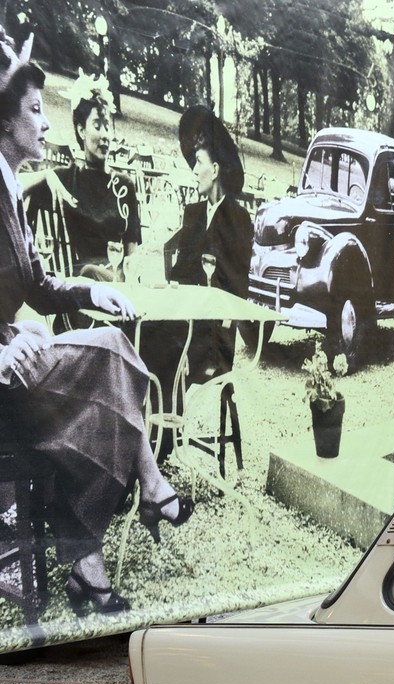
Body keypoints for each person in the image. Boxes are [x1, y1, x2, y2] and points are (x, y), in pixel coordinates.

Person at [0, 34, 191, 616]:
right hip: (4, 376)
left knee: (112, 346)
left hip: (18, 358)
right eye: (35, 110)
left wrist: (94, 289)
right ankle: (144, 497)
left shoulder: (7, 183)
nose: (47, 125)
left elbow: (36, 283)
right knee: (112, 372)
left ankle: (92, 564)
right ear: (4, 119)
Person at [160, 104, 249, 385]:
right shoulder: (193, 213)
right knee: (150, 341)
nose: (194, 170)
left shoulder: (238, 219)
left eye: (198, 163)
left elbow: (237, 286)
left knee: (163, 354)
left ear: (215, 169)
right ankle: (166, 424)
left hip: (214, 331)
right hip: (185, 320)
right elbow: (180, 273)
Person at [22, 72, 141, 280]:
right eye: (97, 125)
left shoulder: (124, 185)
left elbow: (133, 253)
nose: (104, 134)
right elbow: (11, 184)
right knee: (88, 272)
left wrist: (128, 277)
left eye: (107, 126)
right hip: (79, 285)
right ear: (81, 131)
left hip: (117, 282)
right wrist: (48, 175)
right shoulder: (67, 179)